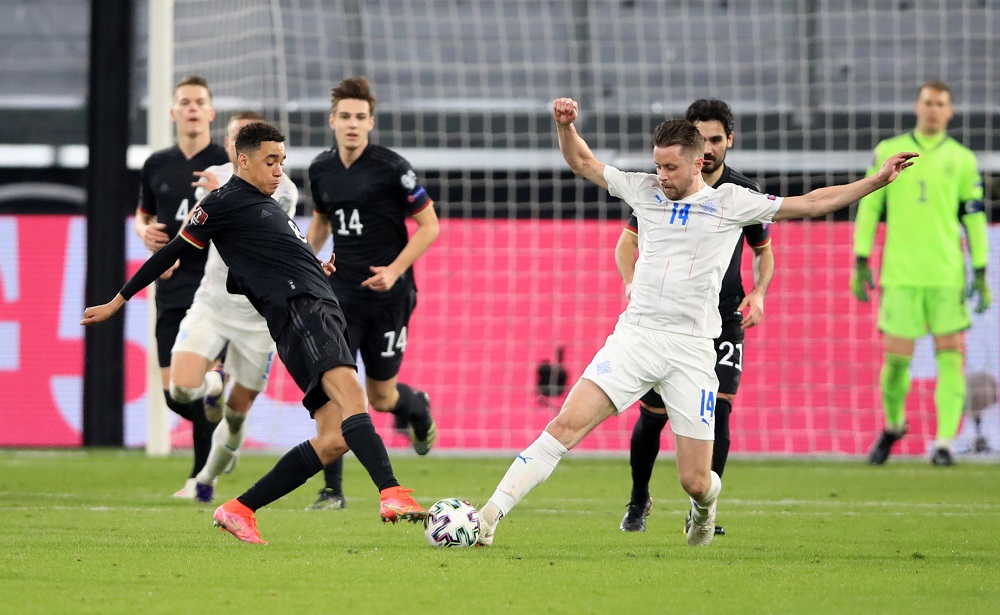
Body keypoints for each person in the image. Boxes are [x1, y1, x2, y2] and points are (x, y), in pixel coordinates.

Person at [475, 97, 916, 548]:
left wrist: (876, 181)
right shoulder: (643, 190)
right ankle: (486, 519)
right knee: (564, 427)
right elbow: (583, 162)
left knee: (696, 481)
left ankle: (704, 510)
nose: (661, 175)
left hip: (691, 352)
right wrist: (566, 127)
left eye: (670, 167)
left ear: (697, 162)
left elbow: (811, 203)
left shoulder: (732, 202)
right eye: (657, 165)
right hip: (635, 339)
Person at [82, 122, 426, 545]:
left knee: (335, 439)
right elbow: (171, 251)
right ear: (242, 161)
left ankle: (239, 509)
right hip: (303, 314)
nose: (279, 170)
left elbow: (260, 264)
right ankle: (392, 493)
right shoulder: (223, 202)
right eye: (270, 161)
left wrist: (312, 268)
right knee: (355, 399)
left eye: (282, 161)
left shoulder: (265, 204)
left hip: (306, 313)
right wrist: (118, 300)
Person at [615, 98, 773, 535]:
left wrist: (759, 291)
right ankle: (639, 497)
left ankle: (702, 510)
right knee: (652, 416)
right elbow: (627, 243)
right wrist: (631, 282)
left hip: (724, 319)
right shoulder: (664, 187)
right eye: (700, 139)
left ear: (729, 140)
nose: (708, 147)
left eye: (716, 139)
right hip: (670, 323)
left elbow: (764, 251)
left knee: (719, 411)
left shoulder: (742, 194)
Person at [304, 76, 439, 511]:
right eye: (345, 116)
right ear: (332, 121)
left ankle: (417, 408)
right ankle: (332, 491)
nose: (352, 124)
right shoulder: (321, 169)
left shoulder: (392, 168)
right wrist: (306, 261)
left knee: (380, 397)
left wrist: (395, 271)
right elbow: (322, 220)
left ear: (370, 122)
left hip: (389, 298)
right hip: (340, 295)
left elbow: (430, 226)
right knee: (336, 387)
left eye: (360, 117)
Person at [853, 80, 991, 467]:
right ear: (917, 106)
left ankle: (944, 443)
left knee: (951, 360)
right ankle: (895, 425)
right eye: (928, 102)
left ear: (950, 111)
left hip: (946, 276)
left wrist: (980, 268)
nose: (933, 109)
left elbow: (974, 217)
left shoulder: (962, 159)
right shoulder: (888, 151)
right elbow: (869, 205)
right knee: (896, 364)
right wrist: (861, 258)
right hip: (900, 275)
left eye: (941, 103)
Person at [165, 111, 299, 503]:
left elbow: (254, 222)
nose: (233, 142)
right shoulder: (213, 177)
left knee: (237, 416)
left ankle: (205, 480)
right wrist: (172, 253)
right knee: (181, 389)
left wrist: (218, 190)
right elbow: (202, 225)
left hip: (257, 319)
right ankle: (213, 384)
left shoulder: (283, 189)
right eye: (231, 136)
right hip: (213, 304)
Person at [134, 75, 229, 498]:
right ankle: (222, 427)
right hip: (170, 286)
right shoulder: (157, 164)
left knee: (203, 381)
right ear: (173, 112)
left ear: (211, 112)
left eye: (199, 102)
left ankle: (200, 481)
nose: (192, 108)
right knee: (176, 394)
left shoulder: (226, 162)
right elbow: (143, 215)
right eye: (185, 102)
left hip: (212, 288)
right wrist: (146, 233)